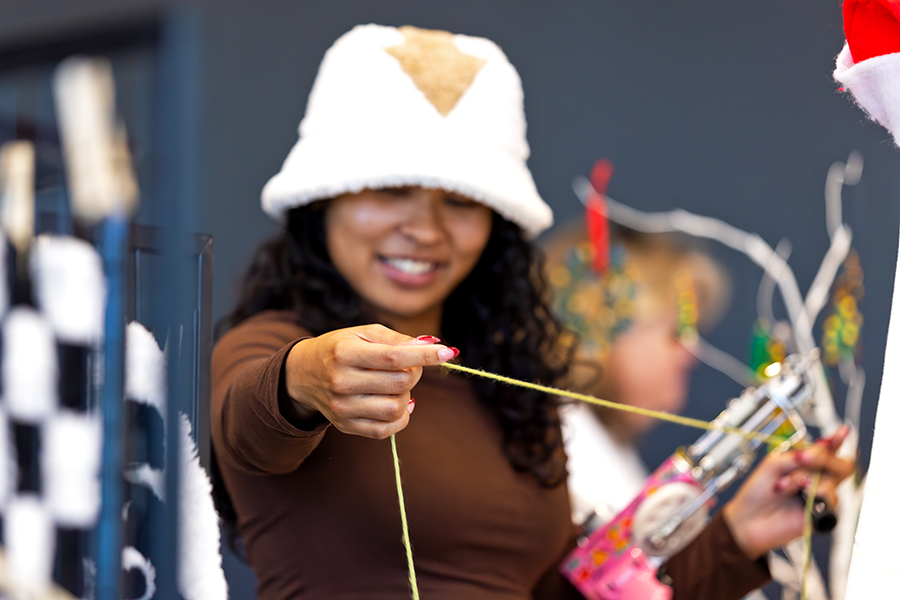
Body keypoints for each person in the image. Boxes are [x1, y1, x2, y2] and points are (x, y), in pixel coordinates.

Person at [210, 24, 854, 600]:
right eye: (389, 190)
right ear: (323, 200)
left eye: (459, 201)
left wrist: (737, 535)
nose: (424, 229)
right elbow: (249, 418)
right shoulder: (272, 344)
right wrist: (310, 374)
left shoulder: (510, 393)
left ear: (497, 223)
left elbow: (574, 595)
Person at [543, 222, 730, 525]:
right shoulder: (557, 454)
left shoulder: (608, 450)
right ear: (602, 324)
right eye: (676, 333)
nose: (690, 355)